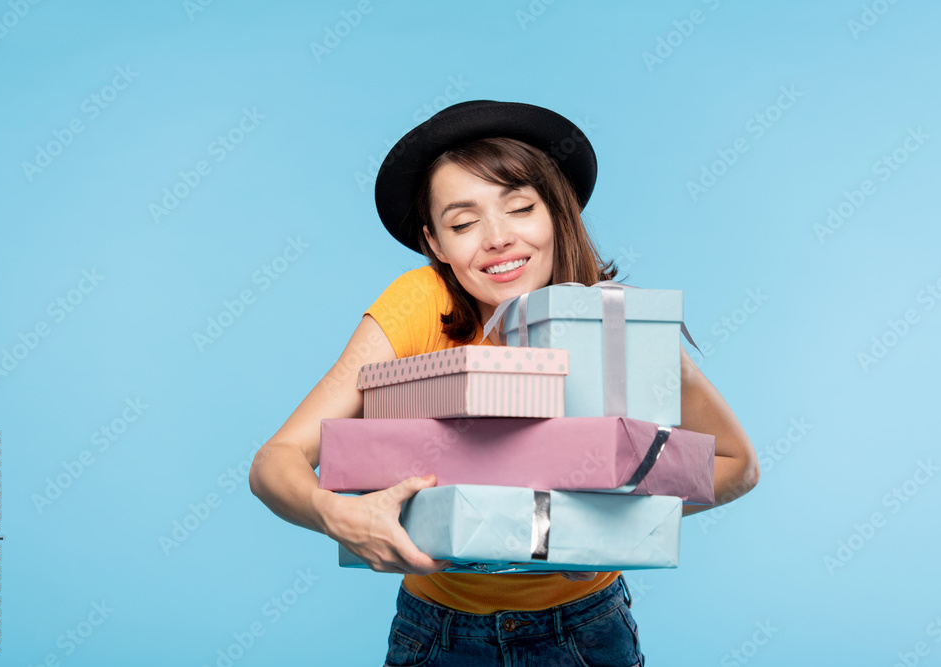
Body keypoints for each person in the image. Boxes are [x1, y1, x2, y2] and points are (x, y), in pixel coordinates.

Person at [249, 100, 760, 666]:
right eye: (463, 223)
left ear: (556, 214)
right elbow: (276, 459)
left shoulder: (617, 326)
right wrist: (337, 514)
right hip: (441, 631)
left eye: (519, 207)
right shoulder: (421, 303)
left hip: (587, 629)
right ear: (436, 244)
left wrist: (608, 524)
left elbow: (737, 464)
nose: (497, 238)